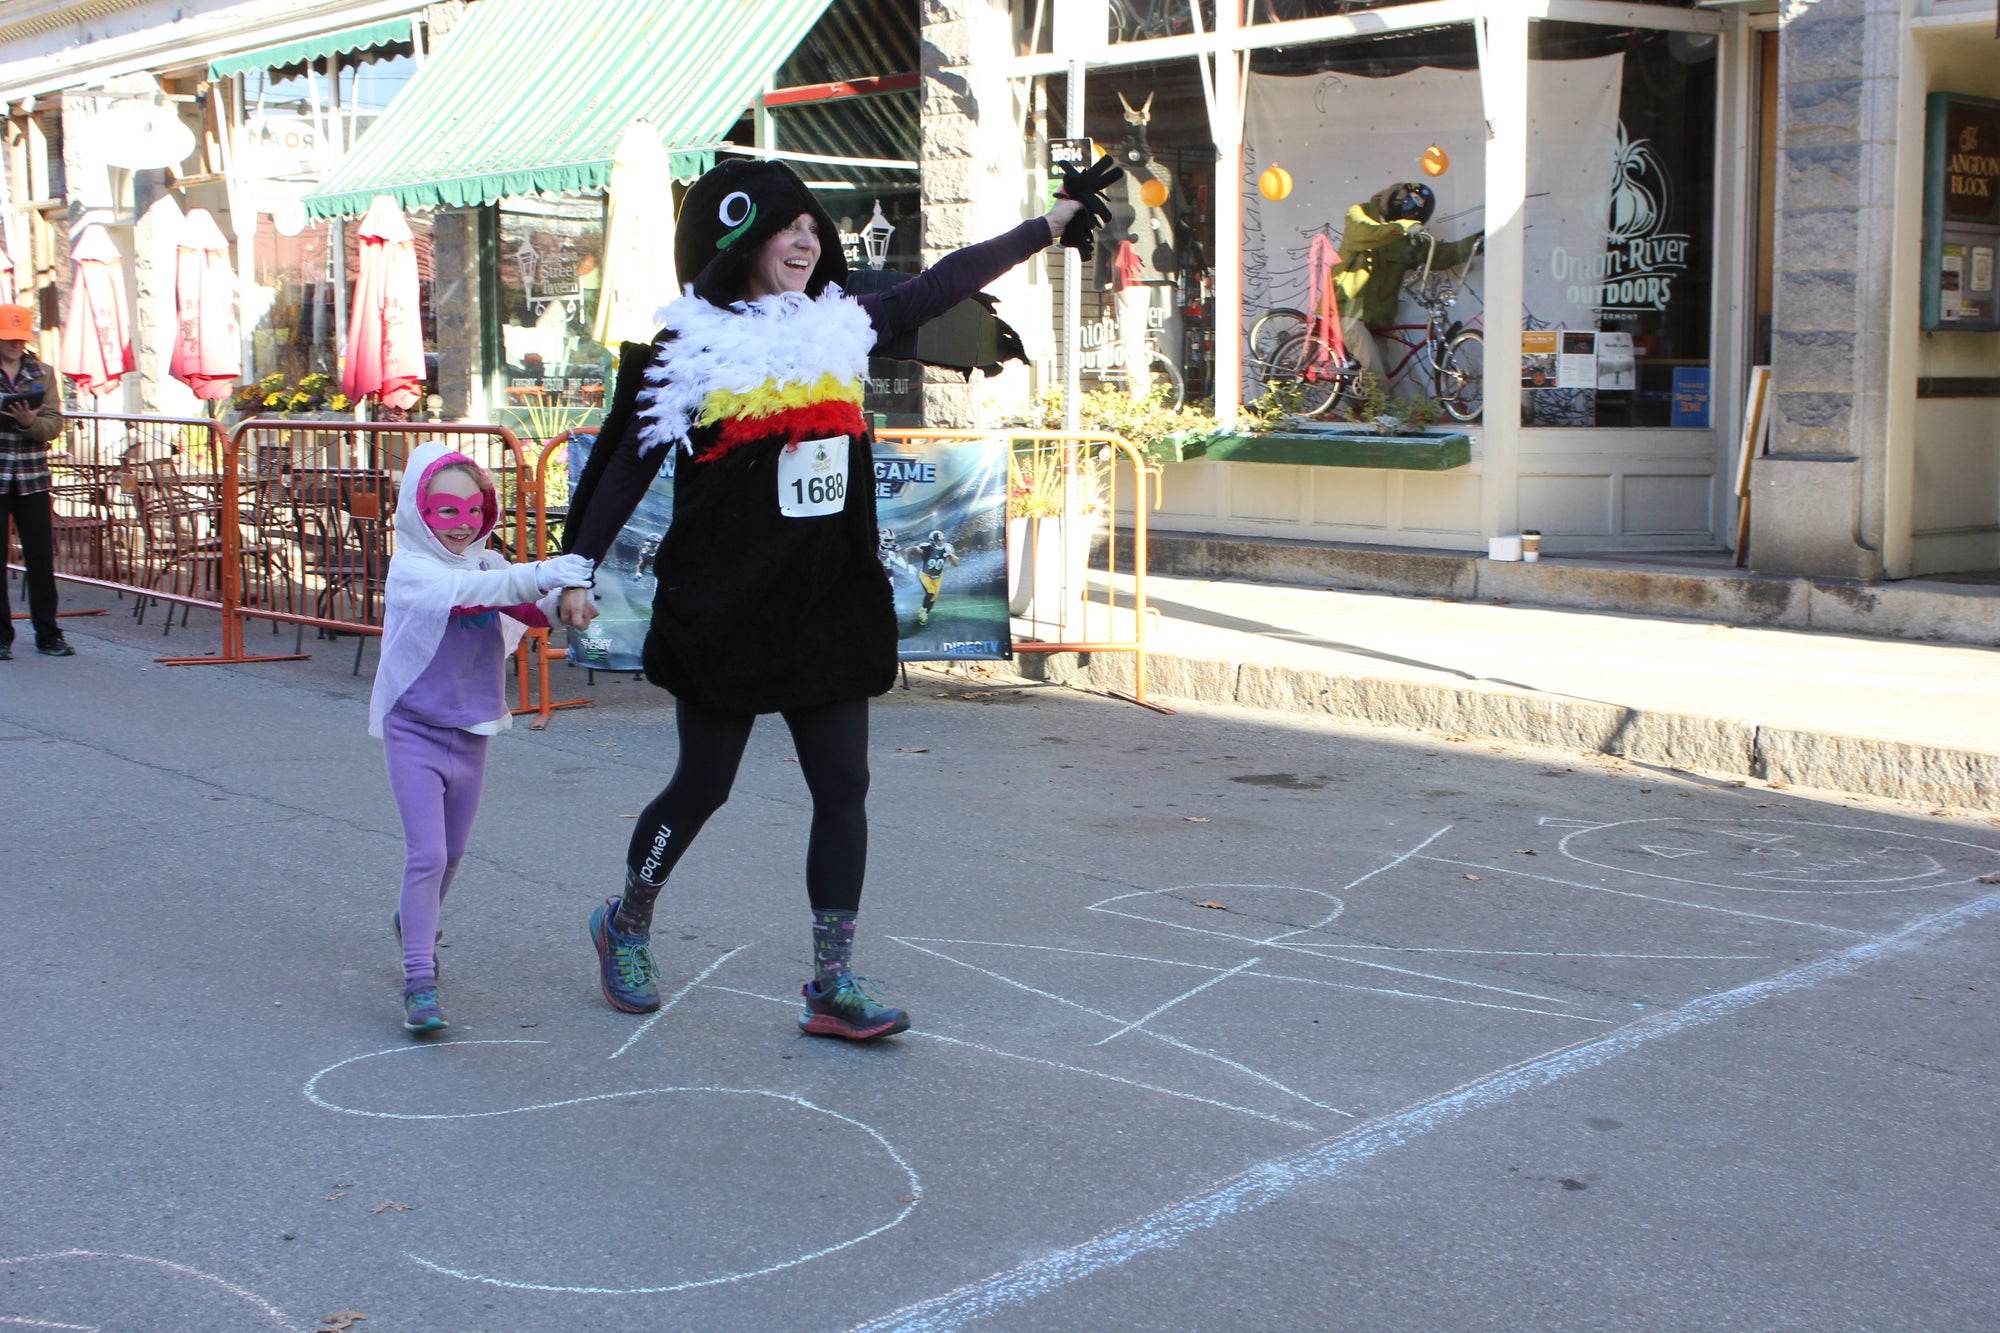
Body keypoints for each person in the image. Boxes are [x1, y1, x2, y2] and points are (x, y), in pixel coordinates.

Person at [559, 156, 1112, 1040]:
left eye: (813, 227)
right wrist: (576, 567)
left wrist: (1047, 224)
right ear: (739, 243)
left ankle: (831, 981)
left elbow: (942, 283)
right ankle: (625, 921)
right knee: (703, 785)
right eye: (786, 227)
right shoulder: (690, 349)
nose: (805, 240)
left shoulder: (846, 324)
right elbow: (628, 458)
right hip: (726, 601)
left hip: (826, 598)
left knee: (844, 785)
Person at [369, 441, 593, 1032]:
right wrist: (543, 573)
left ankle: (412, 922)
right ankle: (419, 978)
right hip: (413, 729)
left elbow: (532, 610)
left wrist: (573, 600)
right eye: (447, 510)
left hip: (471, 731)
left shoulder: (488, 566)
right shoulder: (412, 569)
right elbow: (475, 596)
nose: (463, 523)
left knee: (454, 854)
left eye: (475, 510)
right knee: (428, 854)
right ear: (419, 511)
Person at [1332, 182, 1481, 382]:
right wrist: (1403, 227)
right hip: (1346, 308)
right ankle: (1380, 402)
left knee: (1379, 369)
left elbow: (1436, 254)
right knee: (1374, 371)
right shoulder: (1360, 214)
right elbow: (1367, 232)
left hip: (1377, 317)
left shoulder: (1405, 237)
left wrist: (1474, 243)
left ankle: (1362, 401)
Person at [0, 304, 69, 660]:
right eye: (9, 337)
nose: (16, 344)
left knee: (40, 558)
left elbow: (55, 424)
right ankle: (1, 637)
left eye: (21, 338)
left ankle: (49, 635)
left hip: (32, 478)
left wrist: (29, 423)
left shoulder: (43, 373)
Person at [908, 527, 959, 627]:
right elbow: (909, 550)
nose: (941, 542)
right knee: (930, 593)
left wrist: (950, 554)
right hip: (925, 575)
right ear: (932, 541)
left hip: (938, 577)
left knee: (933, 598)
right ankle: (923, 611)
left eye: (942, 540)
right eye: (938, 540)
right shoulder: (926, 547)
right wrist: (910, 565)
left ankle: (925, 614)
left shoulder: (947, 547)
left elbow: (956, 564)